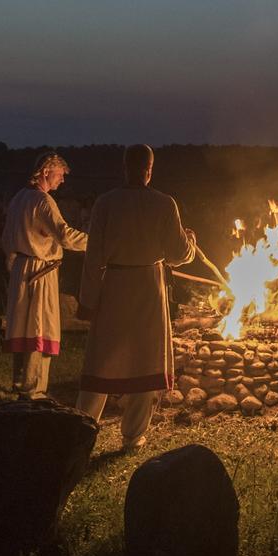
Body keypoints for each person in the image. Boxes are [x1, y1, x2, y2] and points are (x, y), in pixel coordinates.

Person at [76, 144, 196, 449]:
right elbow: (179, 254)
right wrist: (192, 242)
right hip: (147, 288)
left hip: (114, 286)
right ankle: (132, 436)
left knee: (103, 359)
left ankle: (80, 429)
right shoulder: (165, 204)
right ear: (149, 169)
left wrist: (88, 301)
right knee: (146, 358)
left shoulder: (106, 203)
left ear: (125, 167)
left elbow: (92, 258)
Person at [2, 152, 88, 400]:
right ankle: (34, 389)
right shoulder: (43, 200)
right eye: (60, 175)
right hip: (40, 271)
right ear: (47, 171)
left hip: (21, 268)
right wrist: (96, 242)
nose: (62, 181)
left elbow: (7, 237)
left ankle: (20, 382)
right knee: (37, 326)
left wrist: (13, 262)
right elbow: (64, 235)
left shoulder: (19, 198)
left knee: (23, 324)